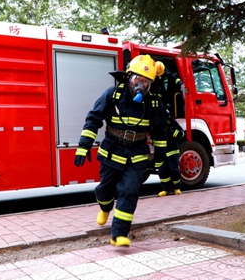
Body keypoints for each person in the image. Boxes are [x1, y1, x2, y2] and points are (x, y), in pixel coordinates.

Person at [74, 55, 168, 247]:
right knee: (105, 190)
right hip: (112, 151)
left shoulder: (153, 103)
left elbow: (160, 131)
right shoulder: (113, 95)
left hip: (137, 155)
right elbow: (93, 119)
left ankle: (118, 234)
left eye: (146, 82)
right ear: (128, 77)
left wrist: (159, 156)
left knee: (129, 191)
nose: (140, 85)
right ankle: (105, 207)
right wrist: (84, 146)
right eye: (137, 79)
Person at [153, 70, 186, 196]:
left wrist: (174, 132)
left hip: (172, 148)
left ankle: (177, 188)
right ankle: (165, 189)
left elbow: (182, 134)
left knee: (173, 169)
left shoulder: (171, 122)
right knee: (162, 171)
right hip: (162, 149)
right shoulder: (157, 124)